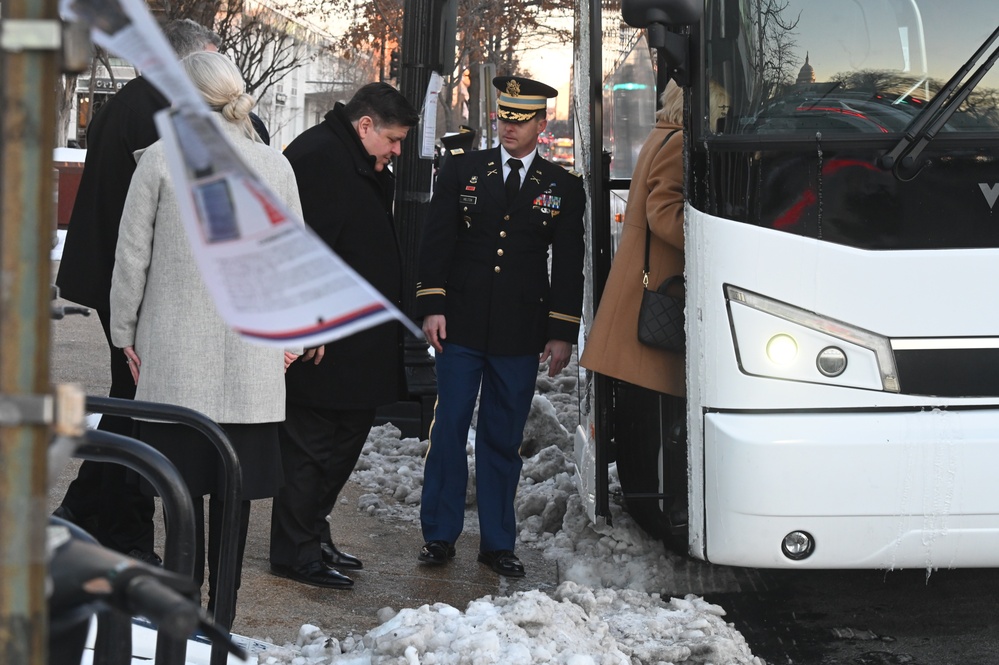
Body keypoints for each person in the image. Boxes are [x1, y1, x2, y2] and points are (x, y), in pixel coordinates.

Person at [108, 50, 302, 616]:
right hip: (251, 362)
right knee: (235, 502)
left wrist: (125, 333)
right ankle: (224, 614)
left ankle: (182, 613)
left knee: (179, 499)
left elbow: (131, 259)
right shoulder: (274, 166)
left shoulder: (161, 161)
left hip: (175, 360)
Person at [53, 18, 222, 565]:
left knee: (129, 401)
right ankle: (121, 527)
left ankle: (88, 508)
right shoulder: (157, 112)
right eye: (210, 58)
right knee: (139, 404)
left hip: (116, 277)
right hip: (134, 284)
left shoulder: (135, 100)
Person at [415, 75, 586, 577]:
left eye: (520, 120)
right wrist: (432, 304)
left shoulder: (562, 187)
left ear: (541, 122)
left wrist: (561, 331)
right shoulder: (464, 170)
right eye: (504, 118)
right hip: (460, 324)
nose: (508, 128)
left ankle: (496, 543)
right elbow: (436, 240)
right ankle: (439, 536)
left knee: (501, 436)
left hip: (519, 330)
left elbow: (569, 264)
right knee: (447, 430)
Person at [268, 82, 420, 589]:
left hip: (358, 337)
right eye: (393, 141)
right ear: (364, 126)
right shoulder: (319, 157)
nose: (396, 152)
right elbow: (298, 249)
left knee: (343, 440)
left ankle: (312, 532)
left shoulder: (356, 159)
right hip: (326, 337)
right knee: (311, 446)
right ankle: (295, 550)